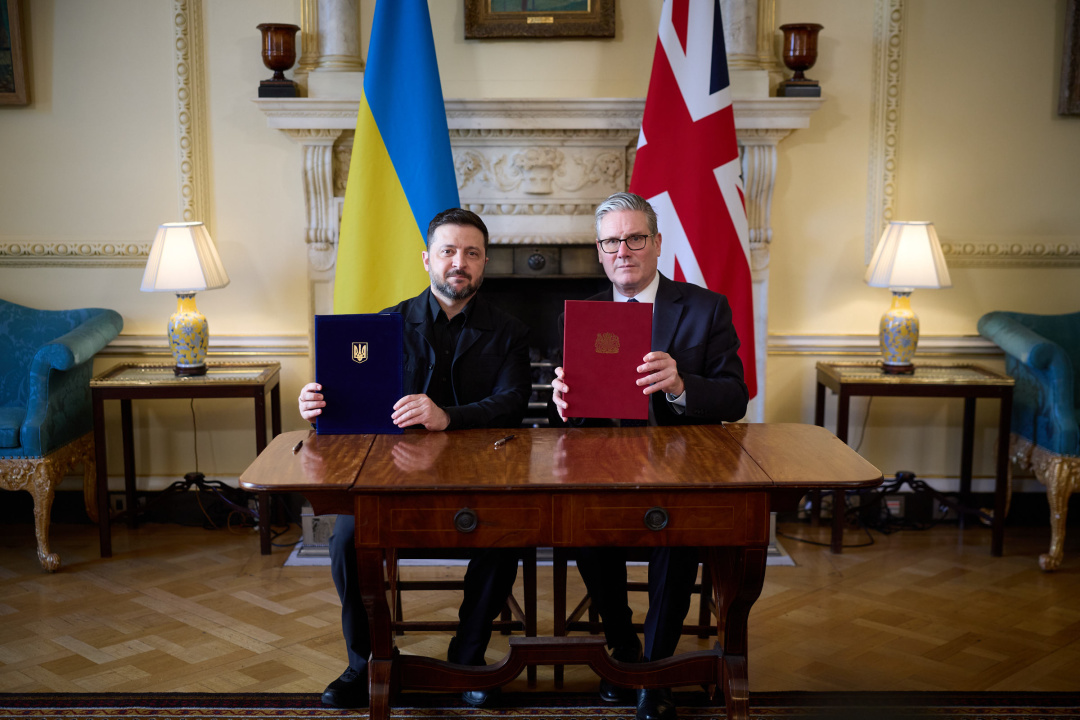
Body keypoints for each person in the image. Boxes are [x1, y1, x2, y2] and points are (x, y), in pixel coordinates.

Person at [298, 208, 531, 709]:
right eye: (448, 251)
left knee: (507, 533)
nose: (459, 262)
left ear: (484, 263)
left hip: (477, 475)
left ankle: (467, 659)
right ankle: (366, 661)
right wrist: (316, 405)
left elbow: (513, 403)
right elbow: (350, 401)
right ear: (427, 259)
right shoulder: (385, 325)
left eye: (471, 253)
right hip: (396, 478)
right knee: (345, 539)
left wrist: (449, 416)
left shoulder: (510, 330)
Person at [550, 192, 748, 720]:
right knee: (581, 528)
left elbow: (735, 397)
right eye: (611, 242)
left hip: (678, 471)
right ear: (599, 251)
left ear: (657, 243)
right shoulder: (580, 315)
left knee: (677, 539)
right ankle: (623, 650)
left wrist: (681, 385)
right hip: (602, 470)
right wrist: (562, 402)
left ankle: (655, 673)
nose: (623, 251)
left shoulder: (705, 308)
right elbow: (564, 413)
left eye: (635, 238)